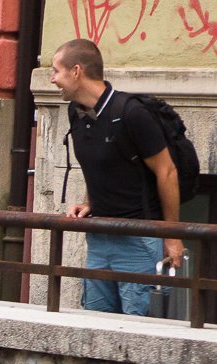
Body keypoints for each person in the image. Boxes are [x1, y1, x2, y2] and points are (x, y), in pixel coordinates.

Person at [51, 38, 184, 315]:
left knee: (139, 331)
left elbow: (167, 171)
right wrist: (89, 202)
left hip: (138, 240)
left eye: (56, 71)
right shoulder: (75, 112)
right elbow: (97, 163)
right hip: (99, 238)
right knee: (96, 327)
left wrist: (172, 236)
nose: (53, 79)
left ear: (76, 71)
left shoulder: (131, 113)